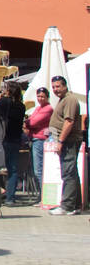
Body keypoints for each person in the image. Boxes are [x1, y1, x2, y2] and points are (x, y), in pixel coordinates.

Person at [47, 75, 82, 215]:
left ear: (65, 86)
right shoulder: (63, 99)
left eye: (58, 86)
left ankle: (67, 206)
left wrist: (60, 141)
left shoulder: (70, 99)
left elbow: (69, 122)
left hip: (69, 140)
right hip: (66, 140)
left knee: (68, 172)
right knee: (72, 172)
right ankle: (76, 204)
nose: (56, 89)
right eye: (54, 87)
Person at [0, 80, 25, 206]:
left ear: (9, 90)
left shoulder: (3, 102)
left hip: (3, 139)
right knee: (13, 169)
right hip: (16, 139)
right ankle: (10, 198)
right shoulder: (21, 106)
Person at [24, 86, 53, 200]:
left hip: (40, 140)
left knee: (39, 169)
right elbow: (30, 120)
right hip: (35, 139)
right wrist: (28, 122)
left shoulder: (48, 109)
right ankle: (41, 195)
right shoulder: (38, 108)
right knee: (36, 169)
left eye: (42, 96)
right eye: (38, 96)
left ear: (47, 97)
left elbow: (33, 121)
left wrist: (28, 123)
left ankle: (43, 196)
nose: (40, 98)